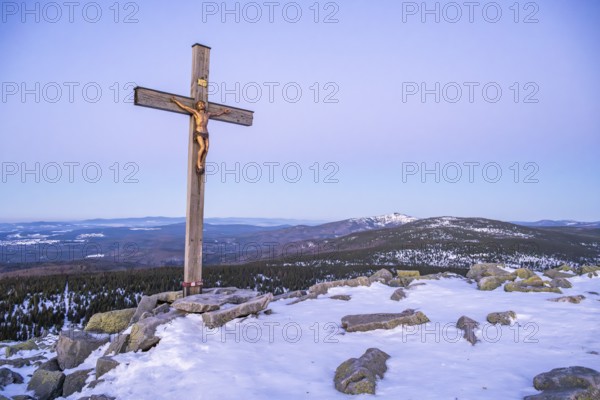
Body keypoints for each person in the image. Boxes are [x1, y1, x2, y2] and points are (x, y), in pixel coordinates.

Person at [170, 97, 230, 173]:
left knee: (207, 149)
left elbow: (217, 114)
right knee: (202, 147)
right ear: (197, 106)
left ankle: (202, 162)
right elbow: (184, 107)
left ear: (204, 105)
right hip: (199, 131)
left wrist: (224, 111)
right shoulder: (196, 113)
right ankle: (198, 163)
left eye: (202, 104)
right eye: (199, 104)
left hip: (206, 133)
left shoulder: (208, 114)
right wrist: (176, 101)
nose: (201, 105)